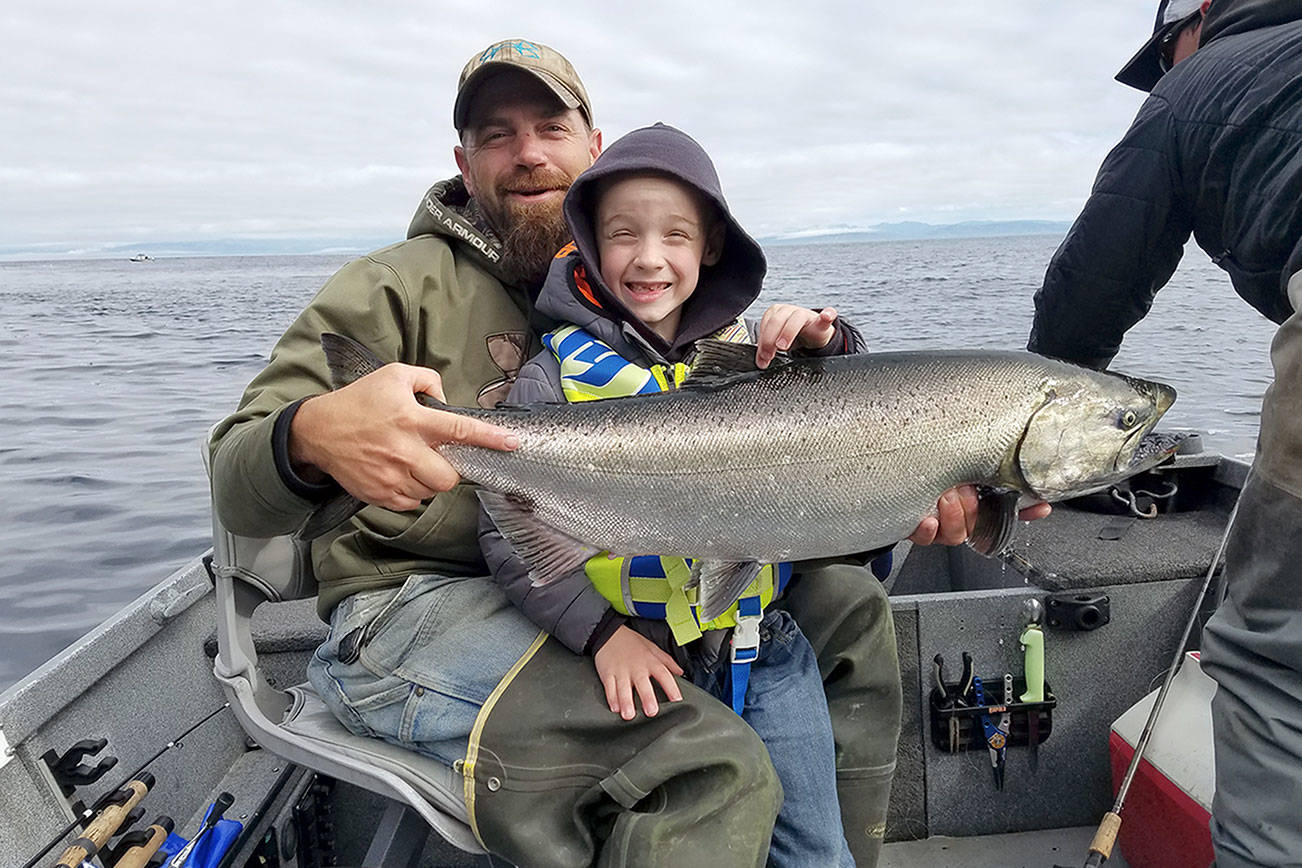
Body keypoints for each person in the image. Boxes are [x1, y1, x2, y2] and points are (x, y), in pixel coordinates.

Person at [210, 37, 1037, 867]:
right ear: (462, 160)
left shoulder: (637, 291)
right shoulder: (391, 286)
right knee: (708, 765)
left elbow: (745, 460)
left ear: (592, 147)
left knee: (849, 607)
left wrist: (897, 462)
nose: (528, 153)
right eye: (496, 135)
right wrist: (309, 436)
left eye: (550, 127)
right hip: (419, 606)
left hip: (607, 552)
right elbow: (235, 478)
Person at [482, 122, 865, 866]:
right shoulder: (551, 376)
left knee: (816, 852)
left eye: (676, 236)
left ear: (711, 248)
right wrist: (598, 635)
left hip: (768, 648)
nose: (649, 258)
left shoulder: (756, 354)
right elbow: (506, 534)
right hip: (635, 656)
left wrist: (831, 342)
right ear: (591, 244)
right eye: (623, 235)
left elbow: (859, 417)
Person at [1027, 3, 1302, 865]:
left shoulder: (1195, 84)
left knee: (1274, 669)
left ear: (1197, 21)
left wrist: (1021, 434)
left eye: (1163, 57)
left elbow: (1093, 287)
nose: (1164, 75)